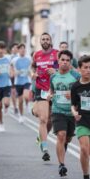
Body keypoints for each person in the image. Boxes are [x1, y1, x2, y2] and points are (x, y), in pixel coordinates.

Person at [48, 50, 80, 177]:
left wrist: (73, 94)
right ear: (58, 61)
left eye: (67, 60)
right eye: (63, 60)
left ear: (70, 62)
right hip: (57, 110)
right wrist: (50, 96)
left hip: (71, 112)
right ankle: (62, 165)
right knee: (61, 135)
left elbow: (82, 91)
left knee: (68, 138)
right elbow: (51, 90)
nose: (65, 62)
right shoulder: (53, 77)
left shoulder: (76, 76)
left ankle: (64, 145)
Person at [31, 32, 59, 161]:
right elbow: (32, 67)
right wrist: (33, 73)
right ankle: (45, 148)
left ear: (51, 41)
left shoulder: (57, 54)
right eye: (43, 39)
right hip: (41, 88)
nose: (45, 41)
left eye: (47, 39)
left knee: (50, 121)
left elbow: (67, 68)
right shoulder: (36, 55)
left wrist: (56, 71)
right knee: (43, 119)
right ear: (40, 41)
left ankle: (41, 136)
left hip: (54, 89)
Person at [11, 43, 31, 123]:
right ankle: (21, 115)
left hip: (26, 80)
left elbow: (32, 68)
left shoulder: (29, 58)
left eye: (24, 48)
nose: (23, 50)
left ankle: (27, 104)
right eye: (21, 49)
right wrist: (13, 73)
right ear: (18, 50)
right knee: (20, 101)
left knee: (26, 96)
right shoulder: (15, 59)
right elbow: (11, 67)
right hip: (18, 82)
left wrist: (31, 73)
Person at [9, 43, 19, 115]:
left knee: (19, 93)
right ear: (12, 49)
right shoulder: (9, 57)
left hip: (20, 77)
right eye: (14, 48)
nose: (15, 49)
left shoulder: (20, 57)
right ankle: (15, 107)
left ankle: (20, 105)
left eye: (17, 48)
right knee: (13, 92)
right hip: (12, 77)